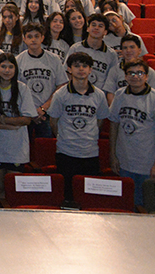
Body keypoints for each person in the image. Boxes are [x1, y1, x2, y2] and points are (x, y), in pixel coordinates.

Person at [108, 58, 155, 207]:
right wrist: (113, 155)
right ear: (125, 76)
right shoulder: (119, 95)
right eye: (131, 73)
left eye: (139, 73)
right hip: (124, 162)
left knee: (144, 206)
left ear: (147, 76)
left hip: (147, 164)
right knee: (125, 205)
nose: (135, 76)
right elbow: (114, 125)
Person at [48, 51, 109, 202]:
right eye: (76, 66)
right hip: (66, 153)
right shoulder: (60, 95)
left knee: (89, 198)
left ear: (90, 70)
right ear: (69, 69)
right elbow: (53, 122)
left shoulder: (99, 95)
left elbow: (100, 121)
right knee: (67, 197)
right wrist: (64, 137)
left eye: (84, 66)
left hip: (90, 153)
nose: (81, 69)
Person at [0, 54, 35, 181]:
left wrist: (1, 119)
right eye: (3, 66)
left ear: (15, 69)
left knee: (13, 188)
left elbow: (27, 119)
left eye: (11, 67)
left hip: (17, 149)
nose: (7, 71)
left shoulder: (23, 89)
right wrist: (9, 125)